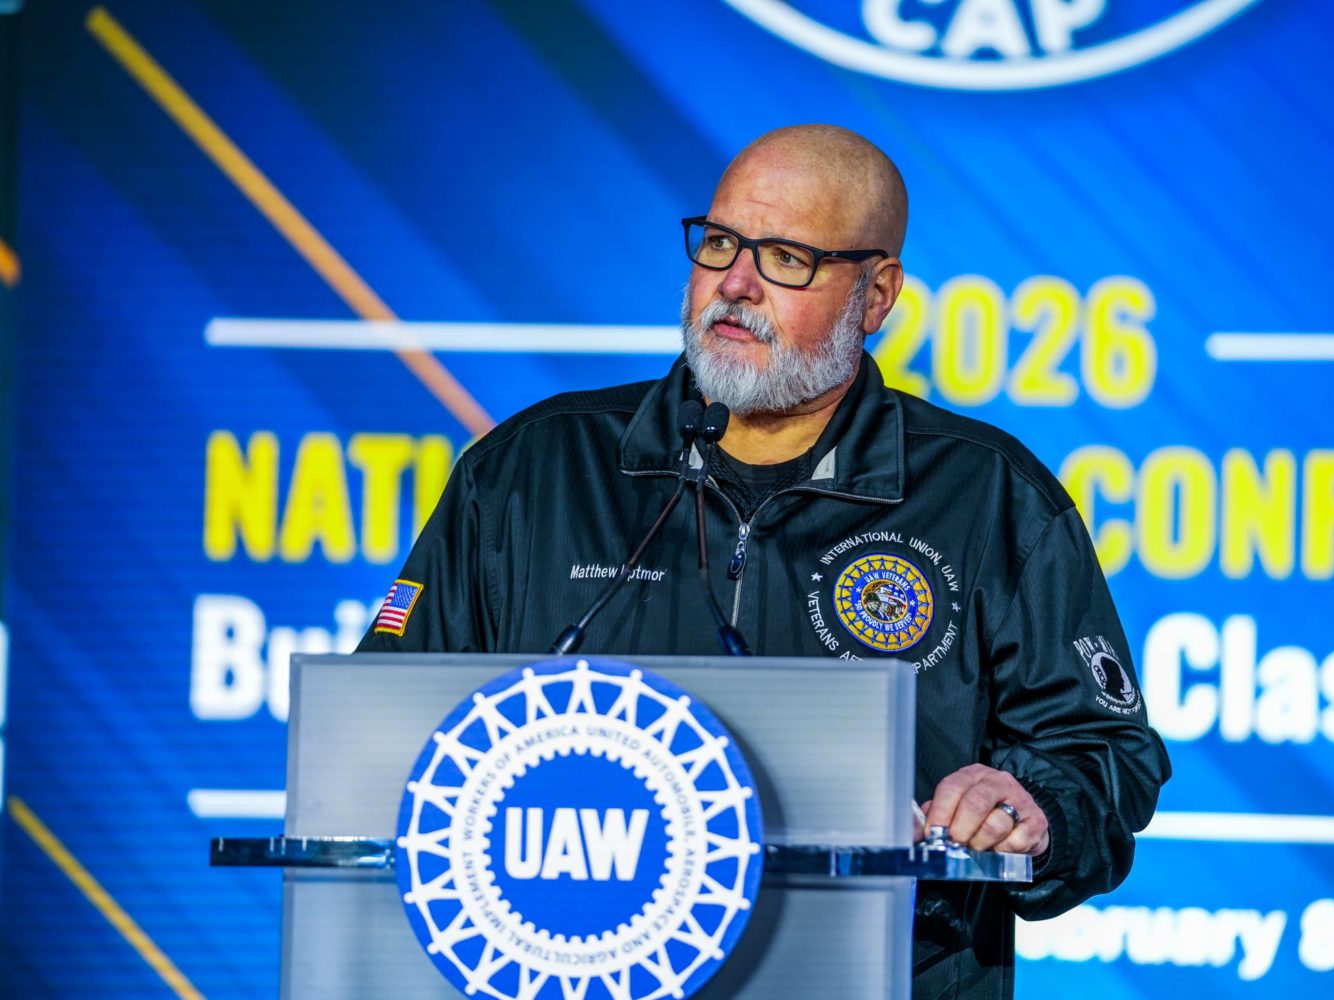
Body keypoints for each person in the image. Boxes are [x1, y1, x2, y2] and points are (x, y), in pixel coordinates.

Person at [359, 124, 1170, 998]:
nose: (736, 285)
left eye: (786, 258)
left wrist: (1028, 802)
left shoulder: (987, 496)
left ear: (876, 294)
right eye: (719, 244)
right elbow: (384, 732)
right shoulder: (534, 471)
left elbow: (1105, 755)